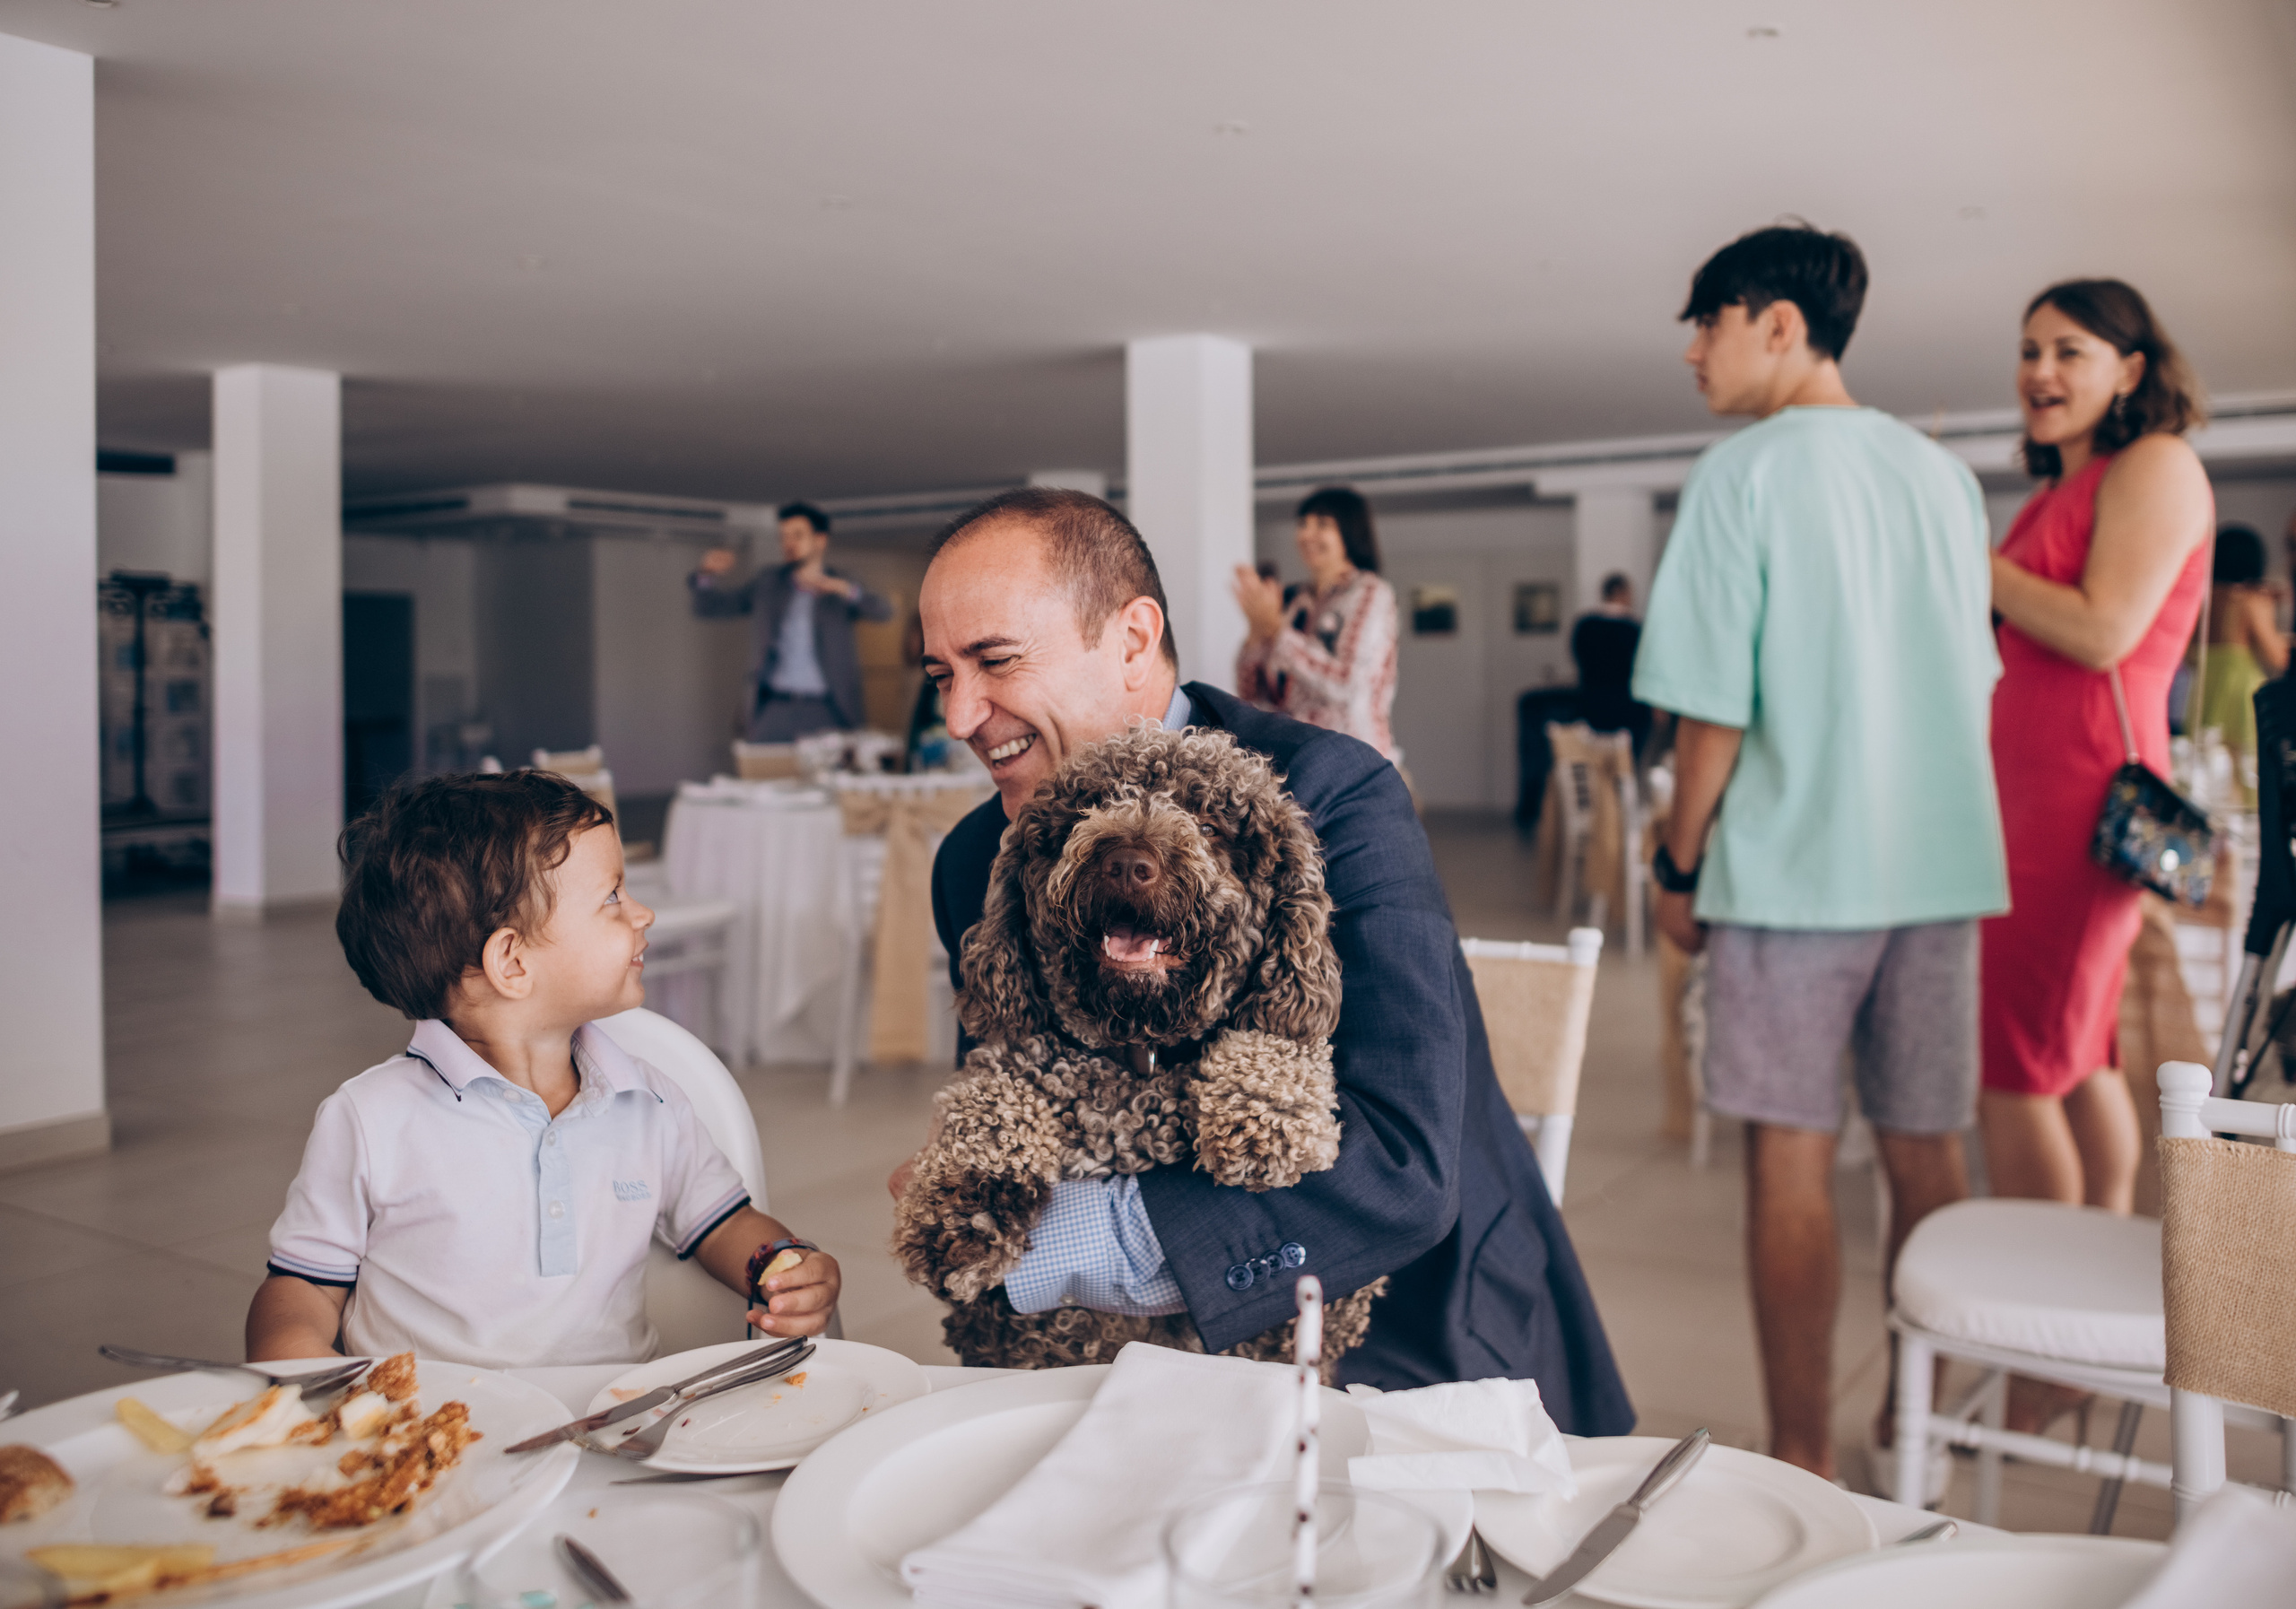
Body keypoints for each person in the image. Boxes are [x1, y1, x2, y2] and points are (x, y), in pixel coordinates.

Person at [899, 485, 1632, 1429]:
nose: (961, 715)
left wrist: (1055, 1247)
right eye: (940, 675)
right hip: (1101, 1363)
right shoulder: (977, 859)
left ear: (1132, 640)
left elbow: (1400, 1172)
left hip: (1400, 1334)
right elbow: (1015, 1108)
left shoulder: (1334, 795)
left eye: (995, 661)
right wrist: (980, 1208)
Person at [1633, 223, 2005, 1483]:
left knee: (1788, 1152)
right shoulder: (1942, 479)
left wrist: (1678, 867)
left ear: (1779, 325)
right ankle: (1915, 1430)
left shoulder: (1741, 475)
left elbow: (1712, 713)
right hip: (1938, 866)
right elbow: (1974, 676)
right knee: (1925, 1146)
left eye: (1709, 322)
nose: (1693, 351)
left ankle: (1803, 1451)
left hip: (1793, 870)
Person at [248, 770, 841, 1367]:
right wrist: (293, 1357)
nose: (643, 914)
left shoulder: (650, 1100)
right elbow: (305, 1285)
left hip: (614, 1410)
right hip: (431, 1417)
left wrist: (782, 1265)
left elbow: (725, 1224)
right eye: (612, 897)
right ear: (512, 962)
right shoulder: (370, 1120)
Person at [1982, 282, 2212, 1241]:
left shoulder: (2155, 463)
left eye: (2067, 350)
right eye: (2029, 351)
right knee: (2075, 1057)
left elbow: (2104, 631)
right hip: (2031, 796)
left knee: (2016, 1063)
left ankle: (2036, 1304)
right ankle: (2096, 1254)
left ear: (2130, 370)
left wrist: (1967, 555)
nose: (2039, 371)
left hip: (2084, 799)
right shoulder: (2057, 489)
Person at [691, 500, 892, 741]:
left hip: (828, 708)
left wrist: (846, 590)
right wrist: (705, 575)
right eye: (784, 537)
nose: (789, 543)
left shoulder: (841, 583)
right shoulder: (767, 583)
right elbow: (710, 608)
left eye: (797, 535)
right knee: (761, 764)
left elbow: (884, 612)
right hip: (774, 706)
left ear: (820, 540)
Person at [1231, 486, 1401, 761]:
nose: (1307, 534)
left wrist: (1276, 631)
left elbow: (1349, 684)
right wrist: (1256, 631)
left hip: (1354, 759)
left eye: (1322, 524)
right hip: (1296, 758)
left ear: (1350, 531)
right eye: (1303, 524)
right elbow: (1251, 695)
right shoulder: (1294, 602)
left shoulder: (1369, 593)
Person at [2198, 524, 2287, 782]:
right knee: (2246, 775)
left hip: (2203, 691)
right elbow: (2277, 658)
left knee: (2207, 771)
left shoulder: (2204, 600)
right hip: (2241, 695)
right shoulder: (2250, 601)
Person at [1570, 573, 1650, 752]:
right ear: (1621, 592)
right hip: (1625, 708)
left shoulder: (1585, 626)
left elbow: (1577, 656)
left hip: (1591, 704)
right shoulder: (1633, 629)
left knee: (1593, 758)